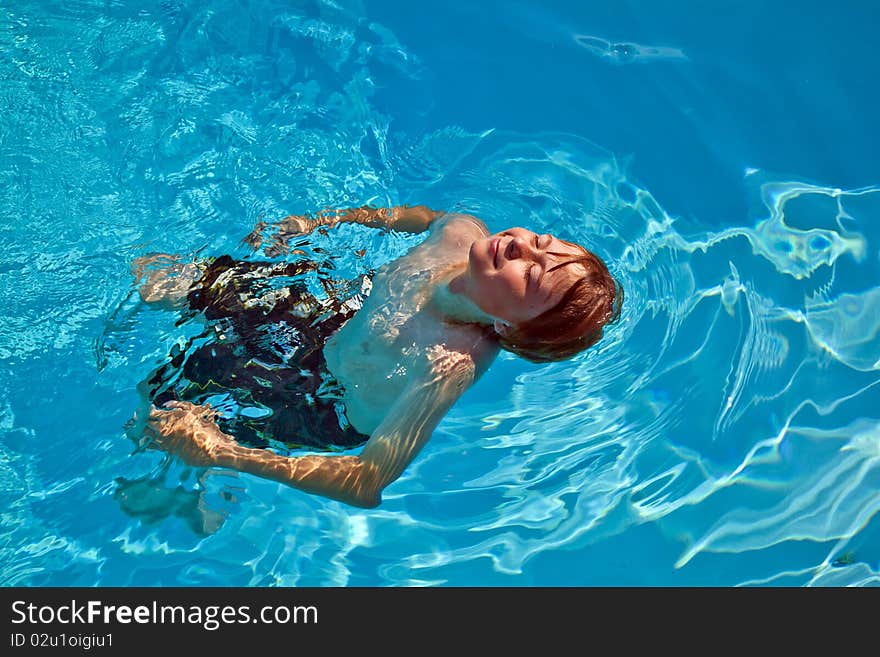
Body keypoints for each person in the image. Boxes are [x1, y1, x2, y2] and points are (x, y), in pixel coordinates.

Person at [132, 205, 622, 508]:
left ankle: (201, 487)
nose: (520, 247)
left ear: (508, 328)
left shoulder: (448, 364)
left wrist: (223, 451)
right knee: (160, 278)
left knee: (161, 412)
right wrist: (319, 222)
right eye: (538, 242)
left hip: (320, 404)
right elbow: (425, 216)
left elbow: (364, 481)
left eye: (531, 274)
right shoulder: (461, 235)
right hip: (333, 320)